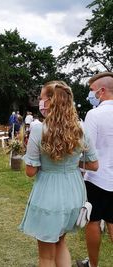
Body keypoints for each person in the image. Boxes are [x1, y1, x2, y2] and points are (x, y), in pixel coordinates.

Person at [19, 81, 98, 267]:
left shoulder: (39, 129)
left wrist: (43, 161)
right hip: (74, 193)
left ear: (50, 102)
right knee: (61, 242)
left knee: (46, 256)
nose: (40, 102)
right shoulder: (80, 128)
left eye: (41, 98)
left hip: (49, 194)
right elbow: (93, 164)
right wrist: (70, 163)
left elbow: (30, 171)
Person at [76, 72, 113, 267]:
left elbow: (85, 148)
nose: (90, 94)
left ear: (102, 91)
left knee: (93, 221)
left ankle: (93, 264)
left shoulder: (94, 114)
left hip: (97, 177)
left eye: (92, 90)